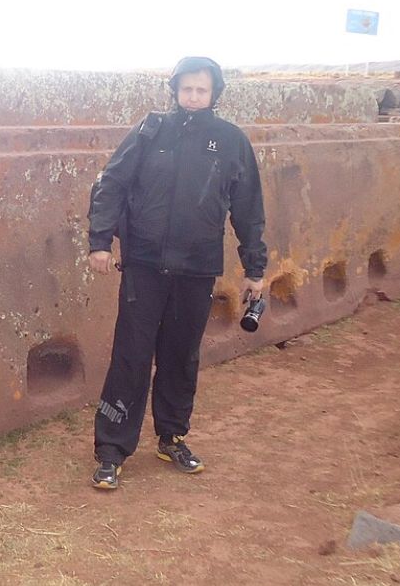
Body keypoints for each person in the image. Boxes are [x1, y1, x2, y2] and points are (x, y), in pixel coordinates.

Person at [85, 56, 267, 490]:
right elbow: (112, 183)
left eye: (202, 90)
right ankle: (111, 450)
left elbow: (248, 209)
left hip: (197, 268)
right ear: (175, 90)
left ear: (214, 94)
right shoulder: (151, 132)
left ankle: (172, 436)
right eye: (187, 89)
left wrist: (255, 268)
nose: (193, 97)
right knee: (131, 355)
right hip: (145, 265)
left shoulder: (230, 142)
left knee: (181, 356)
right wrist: (100, 241)